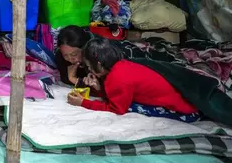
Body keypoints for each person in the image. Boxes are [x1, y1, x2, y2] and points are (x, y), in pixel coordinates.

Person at [67, 38, 198, 116]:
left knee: (132, 108)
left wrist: (84, 103)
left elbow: (117, 109)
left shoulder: (117, 78)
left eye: (90, 67)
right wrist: (99, 87)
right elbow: (117, 93)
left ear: (99, 64)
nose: (89, 70)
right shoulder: (121, 65)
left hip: (182, 111)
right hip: (185, 103)